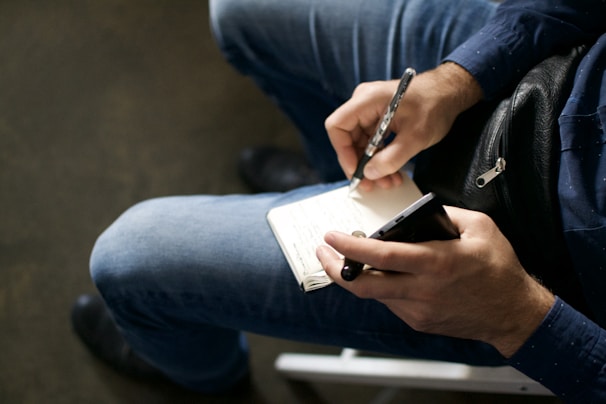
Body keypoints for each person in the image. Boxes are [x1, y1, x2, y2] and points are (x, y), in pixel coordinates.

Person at [70, 0, 606, 401]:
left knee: (128, 259)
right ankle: (343, 183)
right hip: (554, 76)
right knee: (241, 10)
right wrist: (458, 77)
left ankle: (205, 380)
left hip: (531, 271)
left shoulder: (517, 304)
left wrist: (515, 316)